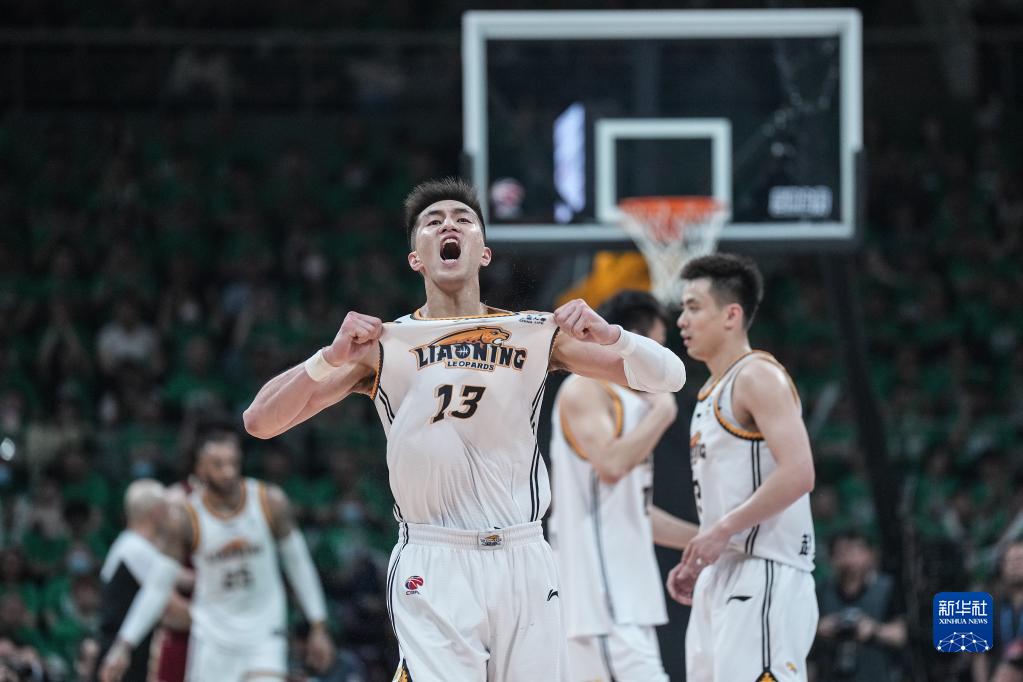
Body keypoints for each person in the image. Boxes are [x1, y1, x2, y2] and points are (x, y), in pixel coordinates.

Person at [242, 178, 687, 682]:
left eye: (463, 219)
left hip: (524, 554)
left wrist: (613, 336)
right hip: (435, 560)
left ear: (484, 253)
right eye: (433, 222)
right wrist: (327, 357)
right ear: (416, 258)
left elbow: (670, 376)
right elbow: (259, 422)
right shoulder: (384, 345)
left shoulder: (535, 334)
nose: (448, 225)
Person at [667, 253, 817, 682]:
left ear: (731, 315)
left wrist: (721, 531)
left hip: (766, 569)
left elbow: (800, 473)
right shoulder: (710, 391)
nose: (681, 320)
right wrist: (701, 555)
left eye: (694, 307)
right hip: (724, 572)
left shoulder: (757, 376)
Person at [98, 422, 334, 682]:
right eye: (218, 464)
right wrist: (125, 643)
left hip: (264, 635)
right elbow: (158, 586)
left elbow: (299, 564)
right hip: (212, 639)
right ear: (200, 468)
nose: (228, 471)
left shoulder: (270, 501)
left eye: (233, 463)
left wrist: (318, 624)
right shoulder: (186, 518)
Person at [549, 290, 697, 682]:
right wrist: (663, 414)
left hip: (625, 600)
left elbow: (636, 514)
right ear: (637, 340)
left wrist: (707, 540)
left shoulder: (629, 403)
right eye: (658, 345)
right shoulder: (586, 389)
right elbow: (611, 465)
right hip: (602, 601)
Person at [93, 479, 179, 682]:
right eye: (169, 509)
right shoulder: (134, 548)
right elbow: (172, 599)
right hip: (120, 658)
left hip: (130, 654)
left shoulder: (129, 544)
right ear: (157, 512)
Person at [814, 530, 906, 682]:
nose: (850, 559)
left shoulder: (886, 589)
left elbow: (901, 635)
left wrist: (873, 629)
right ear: (832, 558)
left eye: (856, 551)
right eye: (843, 552)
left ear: (870, 555)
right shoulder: (822, 591)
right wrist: (819, 628)